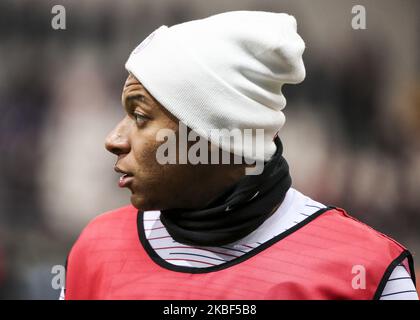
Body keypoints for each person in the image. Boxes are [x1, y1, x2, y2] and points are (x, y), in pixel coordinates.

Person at [64, 11, 417, 300]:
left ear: (215, 136)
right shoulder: (96, 250)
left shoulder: (366, 271)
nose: (113, 139)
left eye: (140, 117)